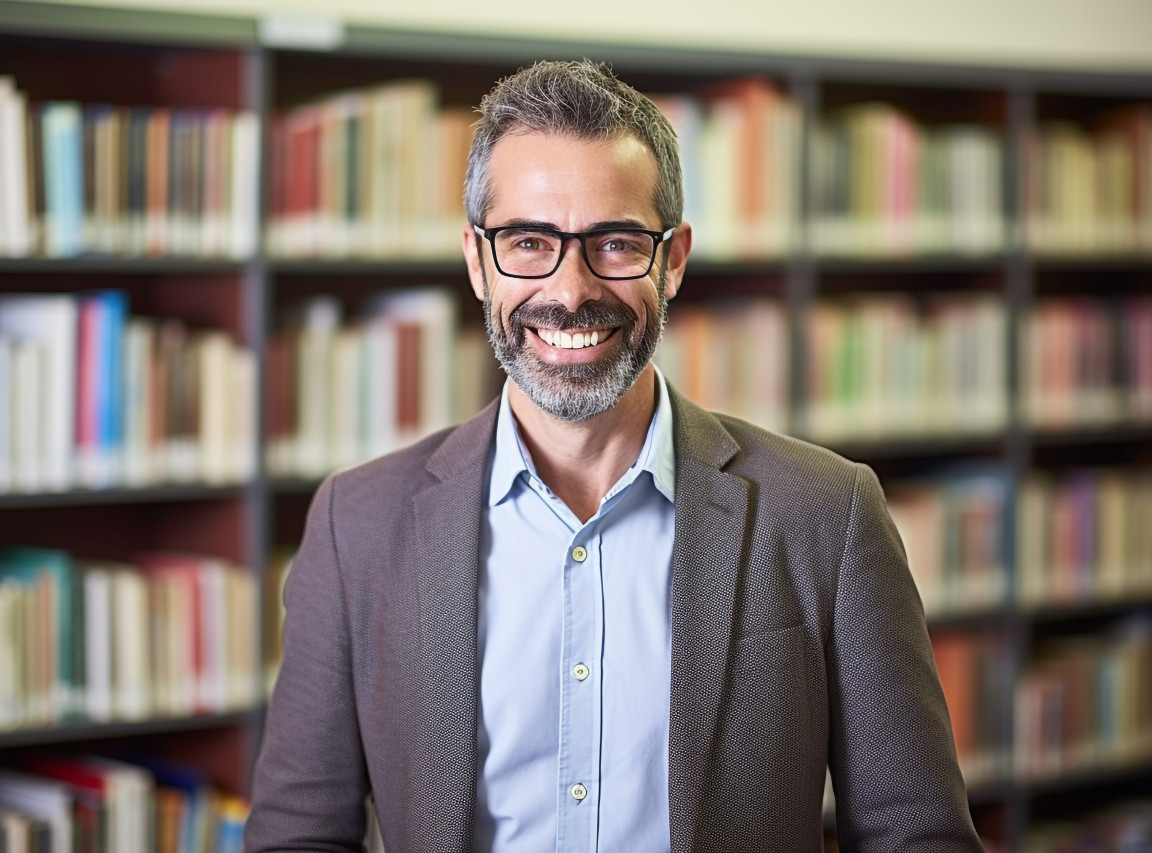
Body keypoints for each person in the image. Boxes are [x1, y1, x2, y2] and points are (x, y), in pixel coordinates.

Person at [245, 59, 983, 853]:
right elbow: (298, 838)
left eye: (617, 242)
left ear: (674, 259)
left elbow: (918, 836)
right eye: (529, 242)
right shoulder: (354, 526)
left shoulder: (826, 514)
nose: (570, 291)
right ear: (476, 260)